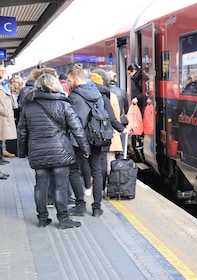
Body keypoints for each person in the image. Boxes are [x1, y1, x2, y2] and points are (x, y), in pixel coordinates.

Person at [17, 73, 91, 228]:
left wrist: (22, 152)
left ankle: (42, 219)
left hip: (37, 151)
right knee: (61, 186)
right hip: (60, 151)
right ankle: (63, 219)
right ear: (54, 85)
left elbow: (22, 131)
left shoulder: (29, 105)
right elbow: (77, 129)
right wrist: (85, 149)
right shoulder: (64, 104)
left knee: (40, 186)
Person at [66, 68, 127, 217]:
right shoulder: (98, 94)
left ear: (75, 79)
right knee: (97, 171)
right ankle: (97, 207)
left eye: (69, 80)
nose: (68, 83)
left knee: (73, 171)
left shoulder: (74, 96)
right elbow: (109, 117)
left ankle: (80, 205)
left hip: (80, 140)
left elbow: (76, 122)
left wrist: (80, 143)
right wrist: (121, 129)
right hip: (97, 138)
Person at [0, 65, 17, 167]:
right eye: (0, 70)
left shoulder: (3, 84)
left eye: (3, 71)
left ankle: (1, 158)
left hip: (3, 117)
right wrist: (5, 111)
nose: (2, 72)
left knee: (1, 139)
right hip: (2, 116)